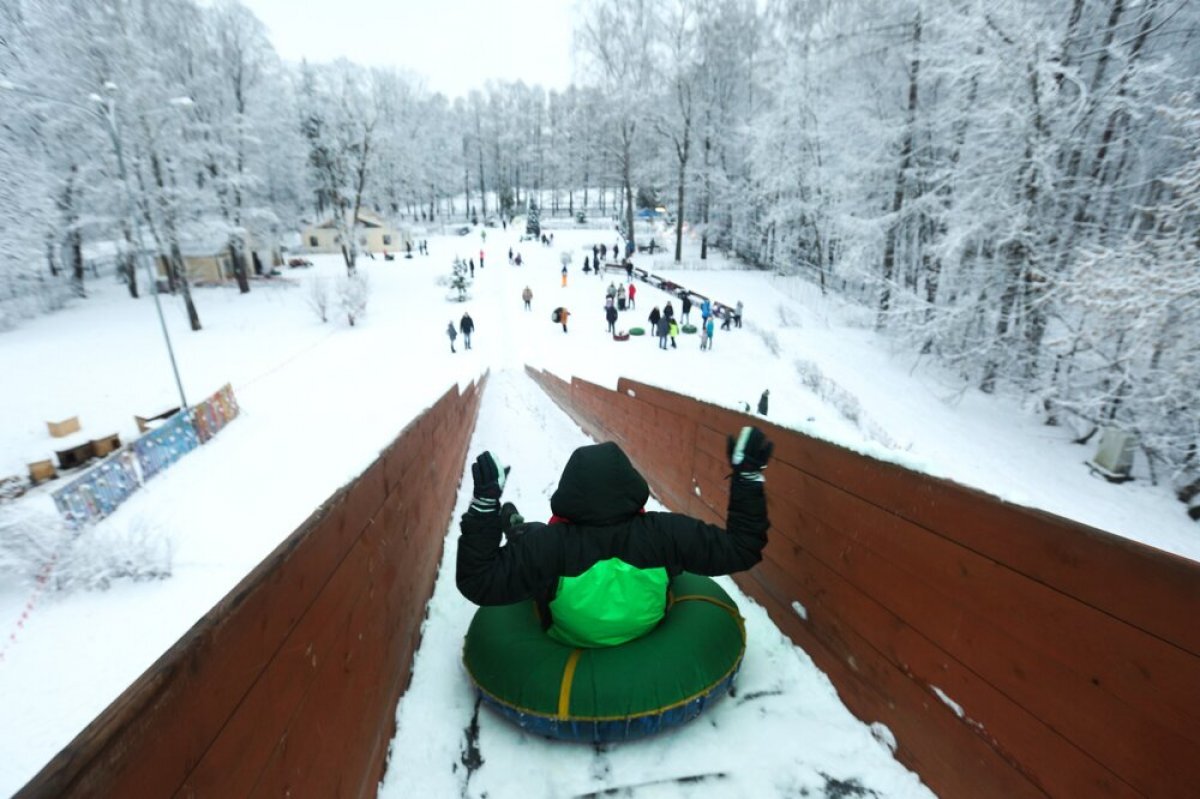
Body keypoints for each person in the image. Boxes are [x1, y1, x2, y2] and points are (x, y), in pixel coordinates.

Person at [455, 428, 774, 649]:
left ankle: (513, 524)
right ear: (630, 485)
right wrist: (747, 478)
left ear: (570, 494)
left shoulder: (550, 544)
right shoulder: (665, 533)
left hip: (571, 635)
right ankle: (516, 525)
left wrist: (484, 507)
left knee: (531, 535)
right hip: (646, 625)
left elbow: (477, 580)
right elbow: (742, 548)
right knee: (536, 538)